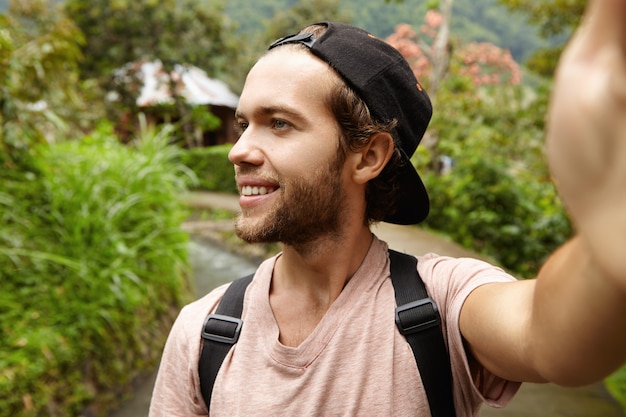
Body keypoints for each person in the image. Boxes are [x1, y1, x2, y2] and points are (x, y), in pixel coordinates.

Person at [149, 1, 626, 415]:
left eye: (279, 123)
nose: (239, 151)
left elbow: (549, 339)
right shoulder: (205, 331)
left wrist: (610, 224)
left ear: (369, 156)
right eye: (243, 123)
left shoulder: (438, 304)